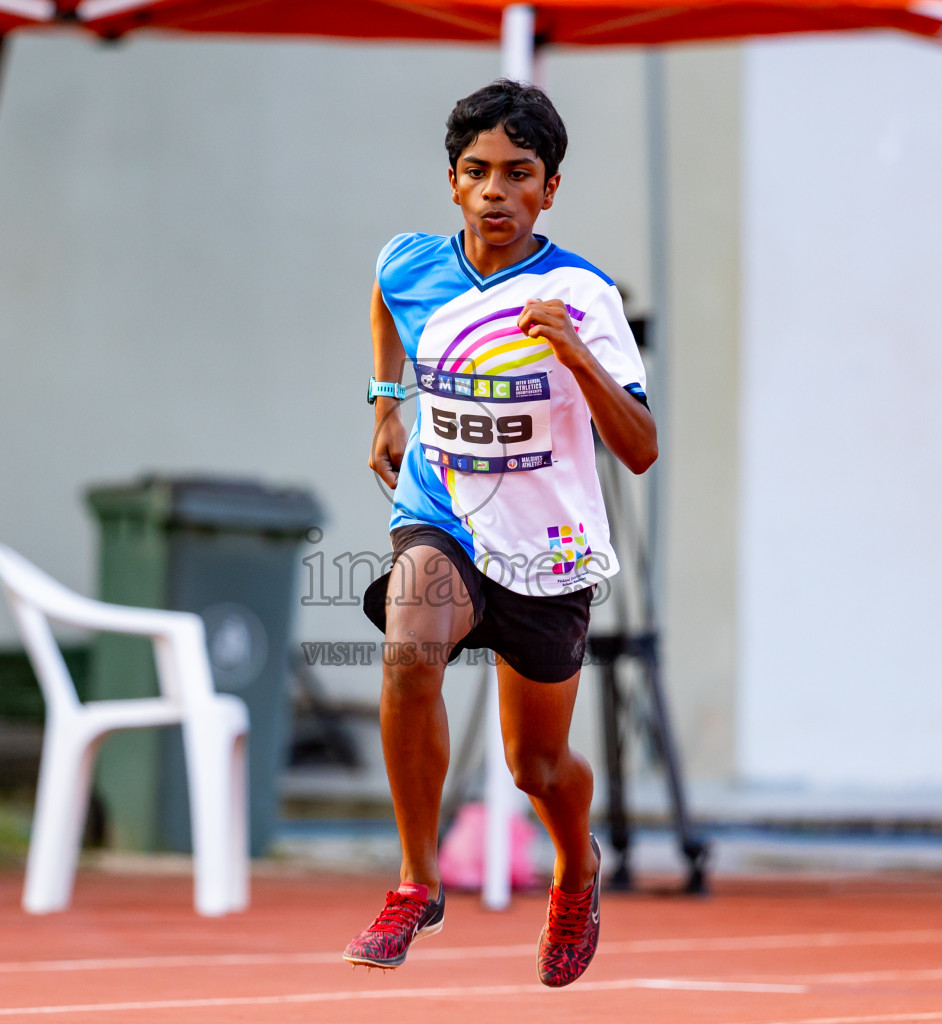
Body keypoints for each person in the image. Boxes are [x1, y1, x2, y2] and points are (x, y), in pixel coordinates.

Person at [342, 79, 657, 989]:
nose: (495, 192)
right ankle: (416, 880)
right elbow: (384, 304)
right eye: (477, 172)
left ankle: (576, 867)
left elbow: (638, 450)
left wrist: (576, 354)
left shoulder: (581, 294)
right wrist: (385, 404)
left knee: (538, 764)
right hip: (439, 512)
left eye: (518, 174)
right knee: (410, 652)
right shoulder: (408, 263)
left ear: (549, 189)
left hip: (546, 546)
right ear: (451, 181)